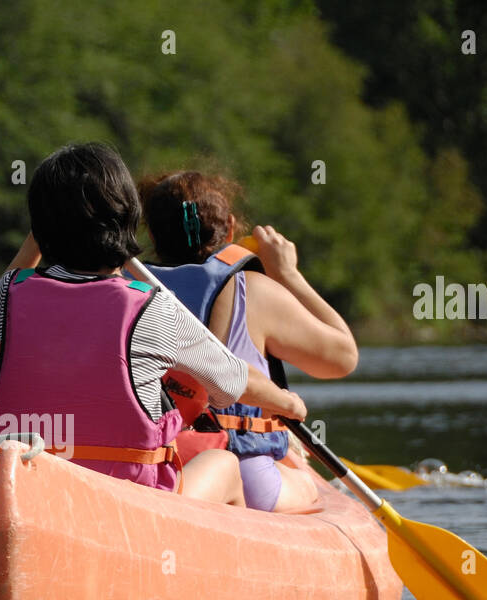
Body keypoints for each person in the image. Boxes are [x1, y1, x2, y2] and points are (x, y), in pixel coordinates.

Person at [0, 143, 306, 506]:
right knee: (223, 464)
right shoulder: (152, 307)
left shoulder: (10, 293)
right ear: (128, 217)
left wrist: (41, 235)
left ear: (40, 227)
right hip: (129, 501)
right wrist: (288, 403)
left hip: (34, 489)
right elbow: (234, 382)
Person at [139, 170, 359, 511]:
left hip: (156, 466)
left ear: (152, 233)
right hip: (247, 477)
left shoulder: (126, 289)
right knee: (305, 475)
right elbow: (343, 358)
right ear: (229, 228)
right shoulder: (252, 290)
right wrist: (288, 275)